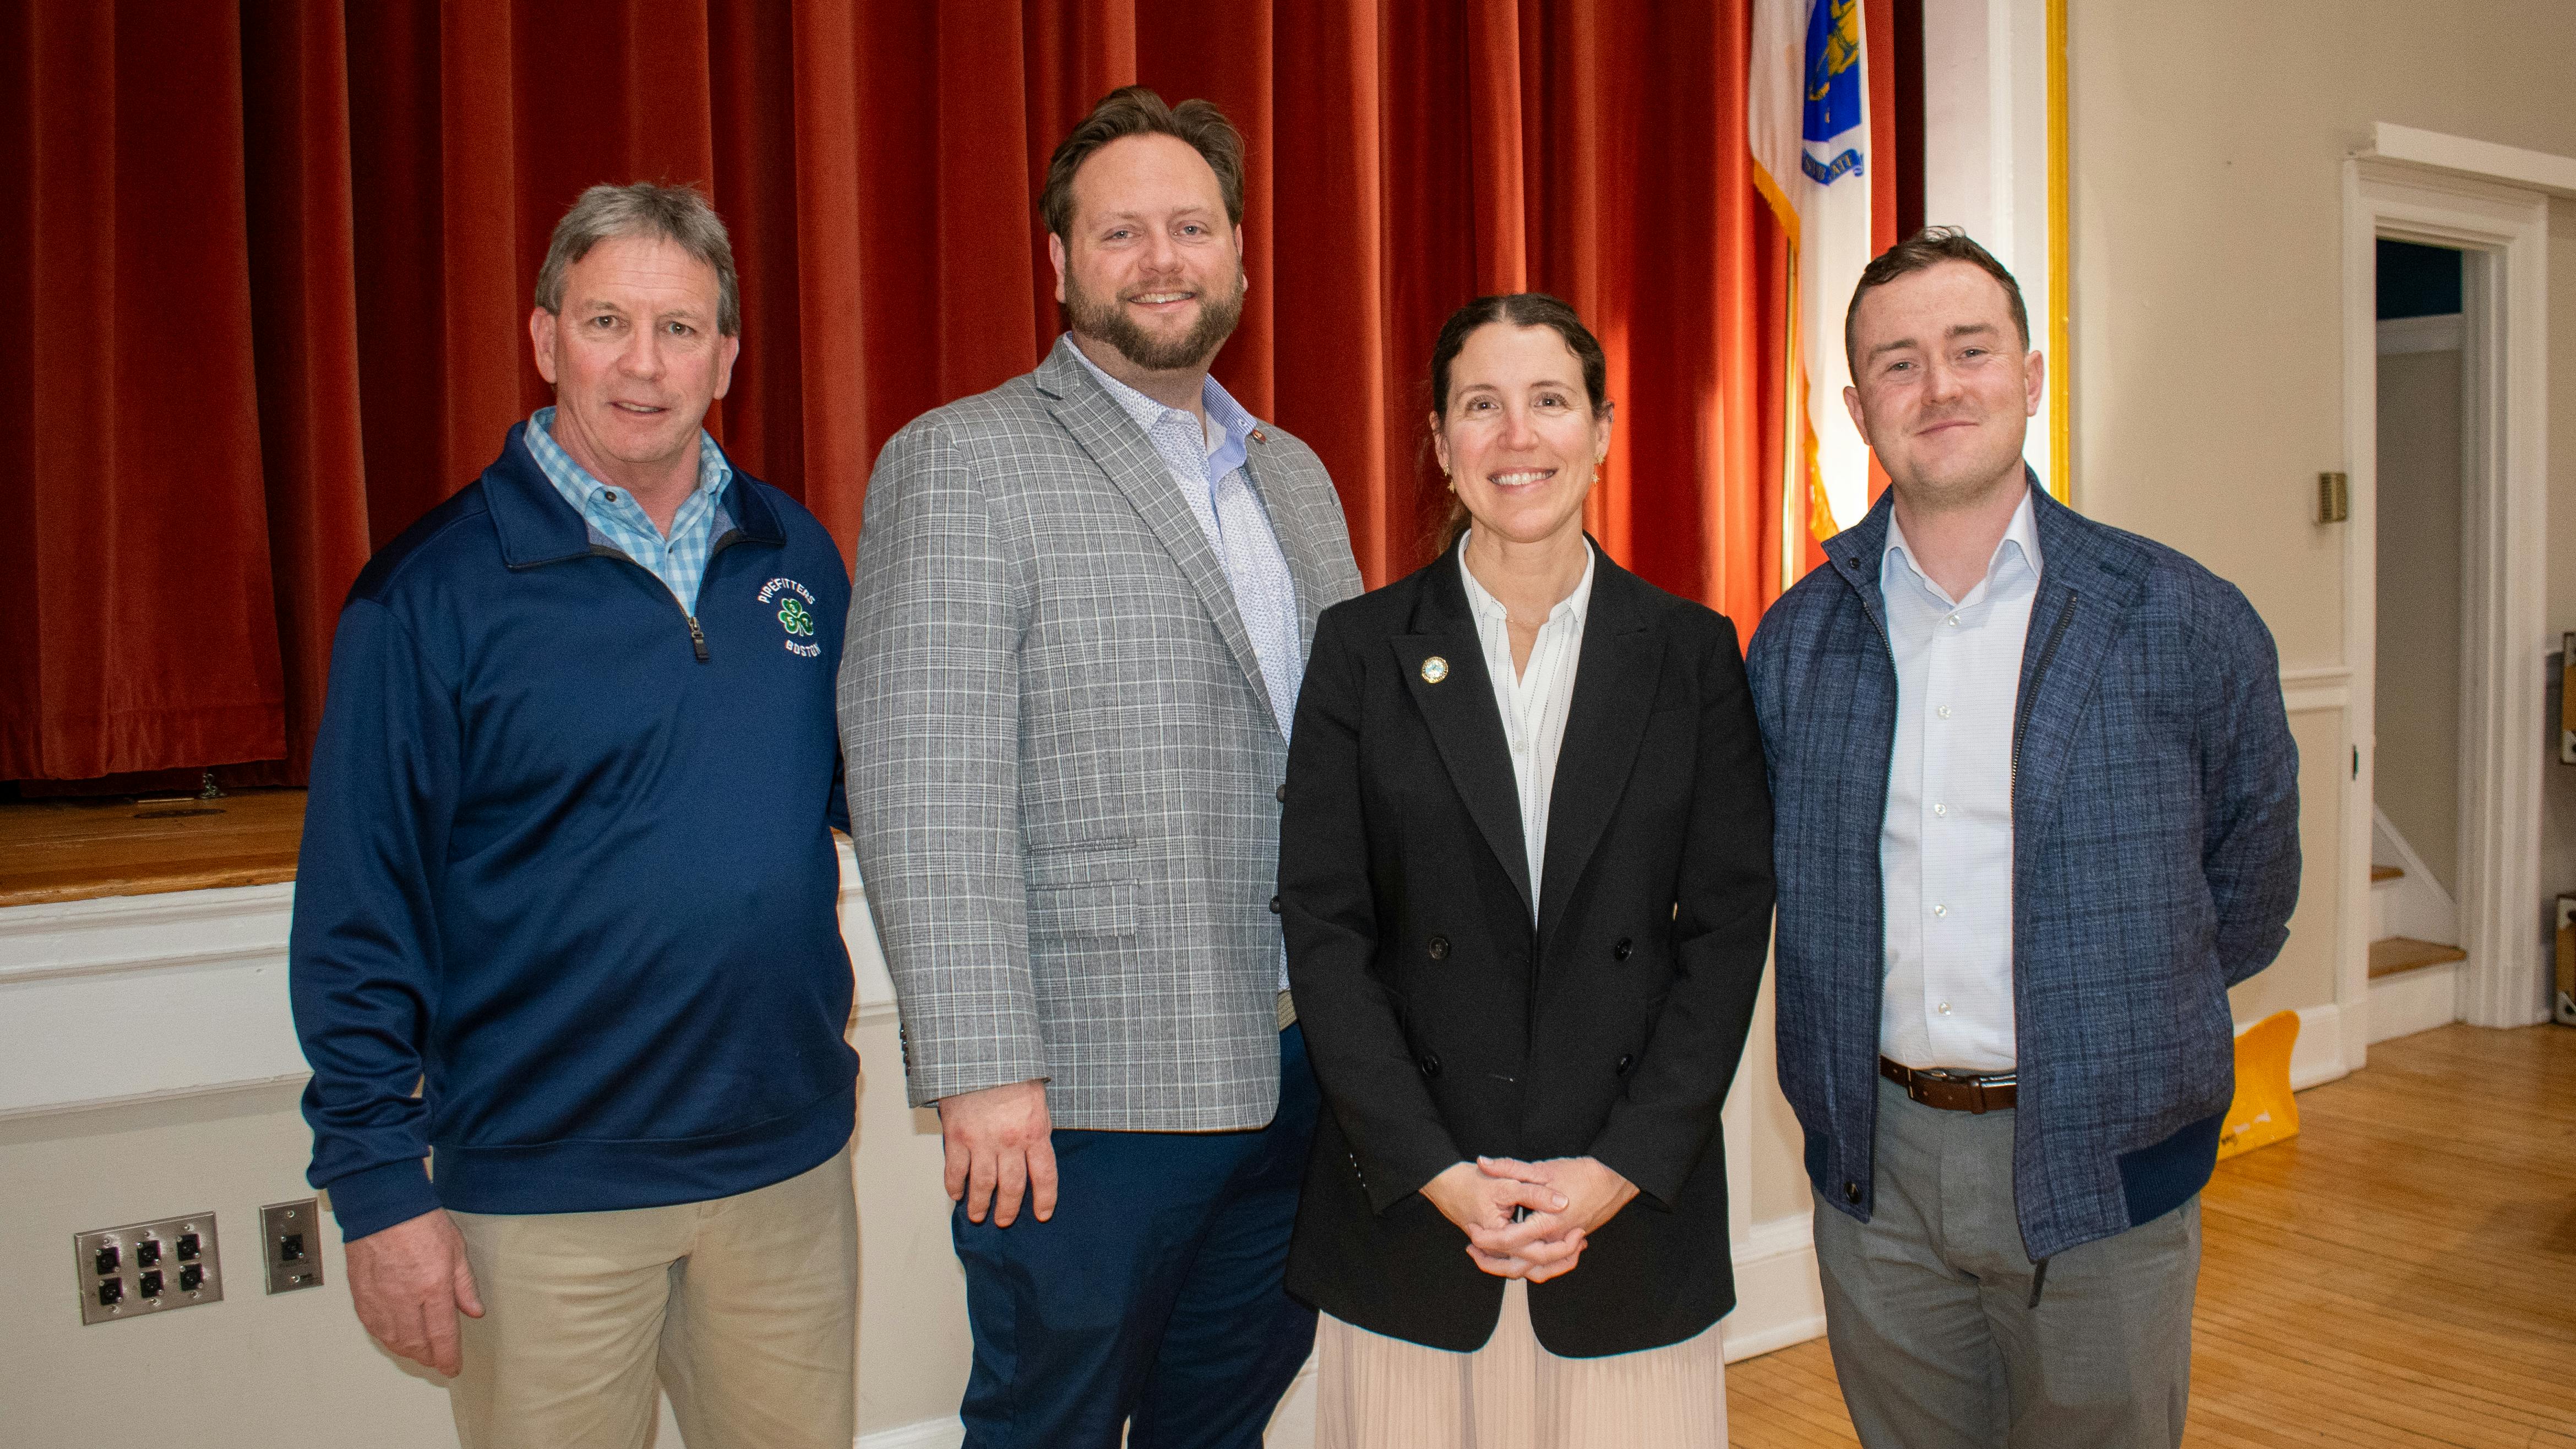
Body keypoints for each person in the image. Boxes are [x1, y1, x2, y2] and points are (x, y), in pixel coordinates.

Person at [289, 182, 859, 1449]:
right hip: (542, 1201)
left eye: (680, 327)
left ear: (728, 355)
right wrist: (379, 1189)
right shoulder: (425, 597)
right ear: (545, 338)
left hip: (787, 1173)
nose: (644, 365)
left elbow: (860, 790)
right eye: (608, 321)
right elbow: (355, 911)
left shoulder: (795, 557)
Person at [838, 87, 1363, 1448]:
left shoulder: (1294, 476)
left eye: (1191, 225)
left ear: (1241, 253)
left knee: (1222, 1417)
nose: (1163, 257)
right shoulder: (960, 460)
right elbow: (920, 782)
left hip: (1300, 1066)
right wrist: (981, 1066)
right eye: (1119, 230)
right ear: (1060, 261)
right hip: (1082, 1096)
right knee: (1048, 1425)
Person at [1746, 227, 2301, 1448]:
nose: (1938, 387)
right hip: (1875, 1176)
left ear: (2033, 376)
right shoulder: (1796, 641)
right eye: (1898, 363)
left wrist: (2128, 1021)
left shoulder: (2180, 616)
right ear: (1857, 406)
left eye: (1970, 349)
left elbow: (2252, 879)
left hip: (2102, 1167)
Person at [1277, 293, 1777, 1448]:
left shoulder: (1693, 653)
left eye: (1551, 401)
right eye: (1481, 407)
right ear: (1442, 444)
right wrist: (1436, 1169)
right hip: (1411, 1221)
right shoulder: (1360, 650)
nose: (1518, 437)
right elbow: (1327, 930)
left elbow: (1723, 933)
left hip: (1627, 1221)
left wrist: (1616, 1169)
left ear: (1601, 430)